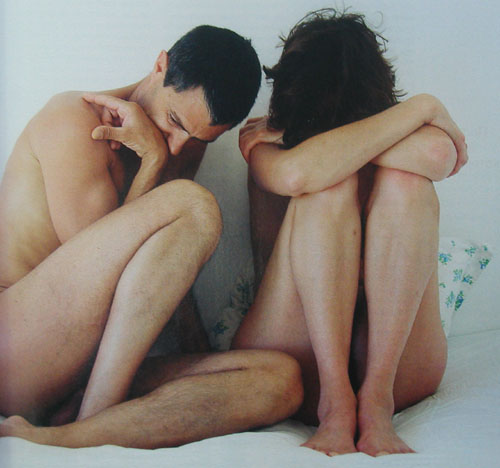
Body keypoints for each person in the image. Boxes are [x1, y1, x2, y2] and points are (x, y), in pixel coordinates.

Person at [0, 25, 303, 448]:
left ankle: (71, 436)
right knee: (193, 203)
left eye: (198, 138)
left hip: (91, 369)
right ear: (161, 66)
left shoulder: (186, 140)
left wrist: (199, 357)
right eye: (174, 122)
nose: (179, 146)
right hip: (18, 350)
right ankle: (96, 417)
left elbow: (163, 266)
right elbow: (102, 280)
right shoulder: (74, 121)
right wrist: (153, 161)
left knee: (279, 379)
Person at [232, 9, 468, 457]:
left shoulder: (296, 138)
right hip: (294, 361)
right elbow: (300, 174)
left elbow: (439, 156)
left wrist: (419, 110)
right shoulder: (264, 142)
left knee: (408, 183)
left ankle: (376, 400)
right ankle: (336, 402)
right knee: (328, 187)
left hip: (399, 371)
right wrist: (422, 109)